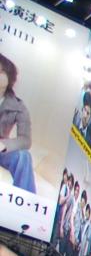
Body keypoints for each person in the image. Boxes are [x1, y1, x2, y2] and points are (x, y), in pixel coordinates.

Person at [0, 54, 36, 193]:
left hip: (1, 149)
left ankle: (25, 205)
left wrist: (5, 145)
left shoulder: (18, 106)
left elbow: (25, 140)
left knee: (24, 156)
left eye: (2, 71)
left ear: (9, 78)